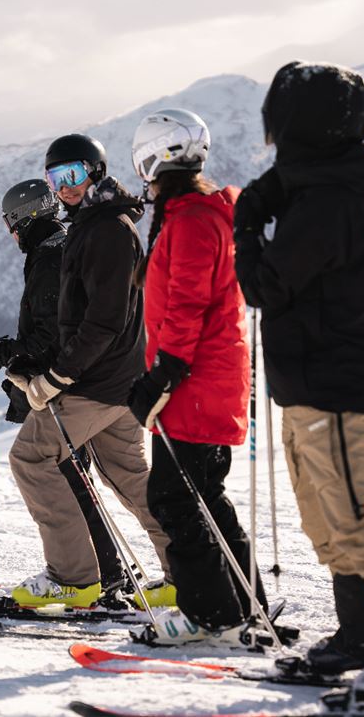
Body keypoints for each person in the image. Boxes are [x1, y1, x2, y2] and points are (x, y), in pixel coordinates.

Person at [234, 61, 364, 677]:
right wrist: (273, 194)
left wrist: (249, 220)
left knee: (360, 526)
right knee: (329, 527)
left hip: (335, 389)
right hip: (311, 387)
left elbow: (265, 286)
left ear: (297, 126)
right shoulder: (319, 194)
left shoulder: (326, 204)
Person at [5, 134, 172, 609]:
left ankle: (74, 579)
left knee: (32, 459)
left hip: (96, 382)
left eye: (74, 175)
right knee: (129, 476)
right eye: (56, 179)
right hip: (119, 378)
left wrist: (56, 377)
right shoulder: (96, 224)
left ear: (95, 172)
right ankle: (184, 571)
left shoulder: (106, 230)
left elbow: (102, 321)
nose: (65, 187)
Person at [127, 109, 266, 640]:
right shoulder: (199, 212)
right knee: (204, 494)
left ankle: (213, 615)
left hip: (194, 382)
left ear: (151, 160)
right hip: (209, 379)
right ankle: (243, 605)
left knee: (176, 497)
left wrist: (165, 373)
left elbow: (187, 301)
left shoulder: (189, 219)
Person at [0, 179, 132, 594]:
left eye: (11, 224)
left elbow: (48, 337)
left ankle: (83, 579)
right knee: (77, 476)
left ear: (23, 220)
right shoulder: (65, 244)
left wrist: (1, 351)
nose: (11, 235)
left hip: (64, 385)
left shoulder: (47, 258)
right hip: (97, 378)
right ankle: (107, 571)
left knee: (58, 472)